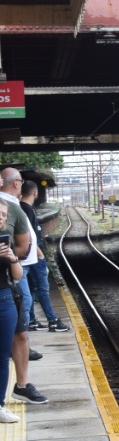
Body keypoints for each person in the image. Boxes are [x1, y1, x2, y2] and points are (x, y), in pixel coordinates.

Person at [0, 168, 45, 404]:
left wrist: (9, 257)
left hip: (9, 281)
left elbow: (23, 245)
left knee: (20, 331)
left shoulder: (11, 207)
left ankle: (22, 385)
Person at [20, 181, 69, 333]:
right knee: (42, 288)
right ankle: (52, 321)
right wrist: (40, 253)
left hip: (28, 256)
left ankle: (33, 320)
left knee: (30, 288)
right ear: (35, 192)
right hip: (33, 255)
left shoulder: (21, 208)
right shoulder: (26, 210)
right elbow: (28, 234)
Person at [0, 201, 23, 433]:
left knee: (3, 357)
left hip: (5, 299)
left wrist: (12, 258)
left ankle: (0, 405)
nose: (0, 217)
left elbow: (16, 275)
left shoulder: (5, 238)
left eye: (3, 214)